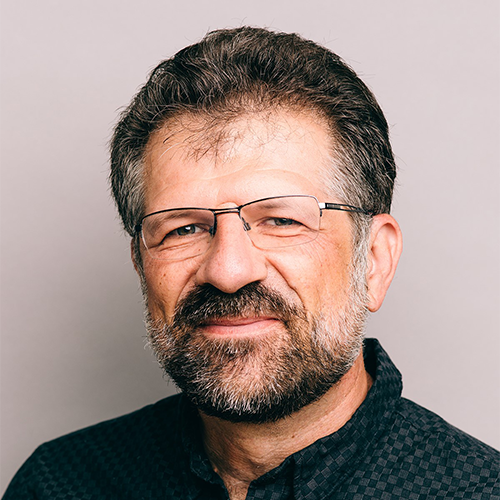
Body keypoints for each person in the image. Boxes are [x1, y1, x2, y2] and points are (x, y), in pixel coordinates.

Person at [4, 26, 499, 500]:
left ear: (373, 260)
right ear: (140, 262)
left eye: (282, 220)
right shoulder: (58, 484)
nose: (228, 270)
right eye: (184, 228)